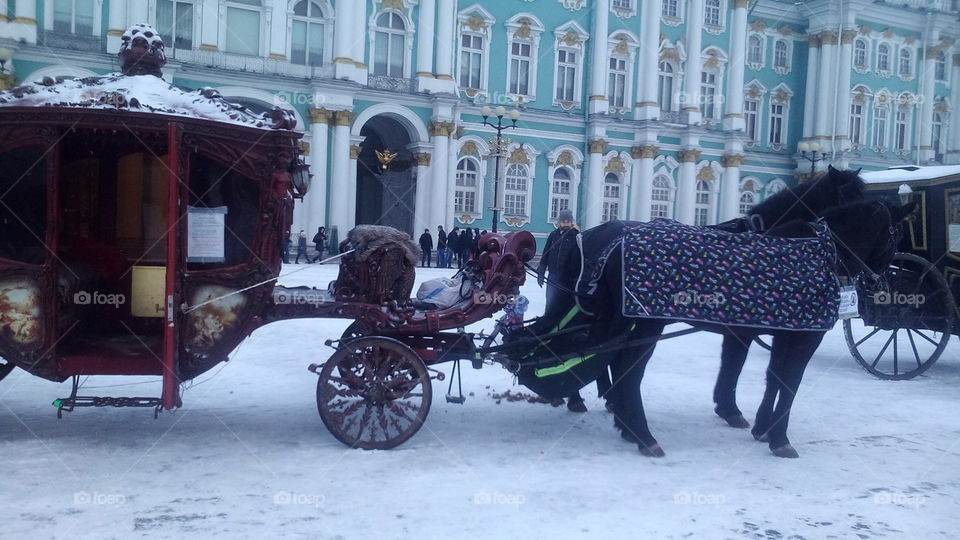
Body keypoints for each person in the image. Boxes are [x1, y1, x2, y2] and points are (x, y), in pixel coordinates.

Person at [535, 209, 591, 413]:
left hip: (567, 281)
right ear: (558, 222)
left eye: (568, 221)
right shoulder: (553, 235)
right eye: (563, 221)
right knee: (550, 307)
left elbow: (581, 261)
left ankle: (560, 326)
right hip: (553, 278)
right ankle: (549, 326)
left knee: (562, 308)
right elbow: (546, 254)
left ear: (572, 222)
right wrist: (541, 270)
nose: (565, 224)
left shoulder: (577, 237)